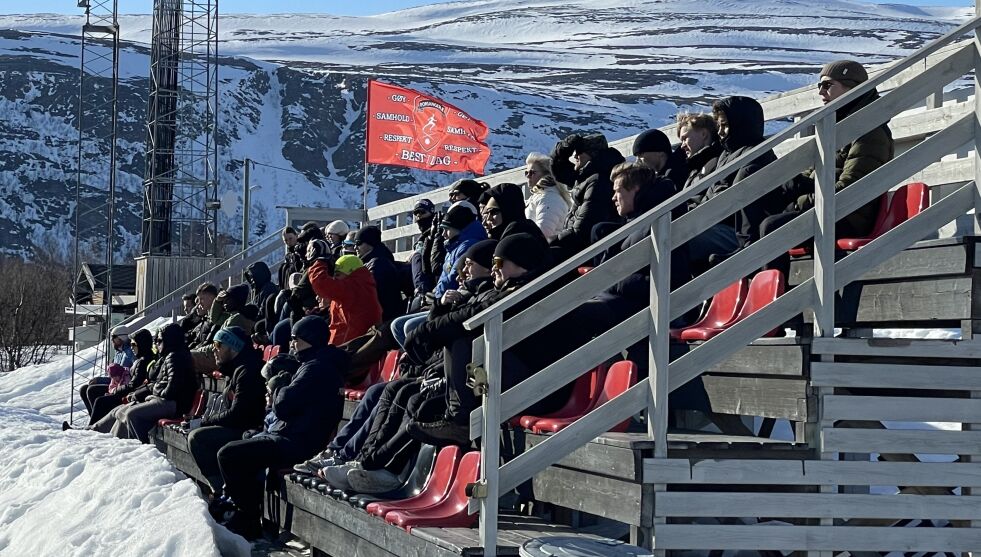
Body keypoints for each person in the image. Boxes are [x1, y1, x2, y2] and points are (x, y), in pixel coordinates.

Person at [216, 316, 348, 539]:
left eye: (297, 338)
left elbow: (284, 405)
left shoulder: (315, 368)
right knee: (244, 442)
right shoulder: (315, 364)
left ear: (311, 339)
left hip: (299, 442)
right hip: (294, 435)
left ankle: (247, 518)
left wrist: (278, 386)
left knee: (228, 454)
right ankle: (242, 509)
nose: (293, 343)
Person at [760, 60, 894, 273]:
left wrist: (799, 202)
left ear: (852, 88)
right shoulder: (838, 128)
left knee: (773, 226)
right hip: (831, 209)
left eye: (828, 85)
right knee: (765, 207)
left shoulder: (868, 132)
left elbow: (851, 187)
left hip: (850, 215)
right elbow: (815, 173)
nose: (821, 91)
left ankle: (776, 299)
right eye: (819, 86)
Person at [688, 96, 783, 265]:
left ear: (741, 124)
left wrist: (693, 219)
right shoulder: (726, 154)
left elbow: (727, 200)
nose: (720, 132)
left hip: (736, 232)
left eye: (725, 125)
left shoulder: (756, 155)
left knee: (679, 240)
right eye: (719, 126)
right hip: (716, 224)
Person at [391, 202, 486, 350]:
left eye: (446, 229)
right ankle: (418, 364)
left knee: (409, 327)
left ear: (457, 227)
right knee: (397, 325)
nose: (442, 234)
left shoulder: (467, 246)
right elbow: (434, 268)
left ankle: (424, 363)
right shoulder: (454, 245)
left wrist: (436, 300)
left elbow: (451, 278)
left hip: (451, 304)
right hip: (440, 301)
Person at [187, 326, 267, 494]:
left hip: (250, 430)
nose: (214, 350)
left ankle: (224, 493)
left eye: (218, 345)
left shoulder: (248, 371)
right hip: (240, 425)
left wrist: (203, 422)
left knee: (198, 437)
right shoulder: (237, 368)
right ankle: (223, 489)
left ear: (233, 346)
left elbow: (239, 414)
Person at [101, 323, 197, 443]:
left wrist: (155, 392)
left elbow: (173, 388)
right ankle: (114, 442)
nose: (156, 344)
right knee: (122, 411)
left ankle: (142, 448)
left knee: (132, 414)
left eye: (159, 340)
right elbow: (159, 382)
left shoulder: (175, 357)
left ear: (170, 340)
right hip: (165, 400)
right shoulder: (168, 356)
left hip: (172, 404)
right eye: (156, 340)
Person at [548, 133, 626, 261]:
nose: (575, 156)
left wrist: (551, 241)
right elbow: (559, 170)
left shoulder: (599, 182)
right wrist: (563, 148)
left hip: (582, 251)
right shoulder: (587, 176)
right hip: (576, 245)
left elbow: (582, 231)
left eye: (580, 151)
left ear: (593, 154)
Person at [306, 251, 383, 346]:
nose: (334, 278)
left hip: (348, 345)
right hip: (359, 342)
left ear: (350, 272)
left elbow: (320, 283)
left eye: (338, 274)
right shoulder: (363, 284)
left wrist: (320, 262)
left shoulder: (351, 287)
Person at [79, 325, 135, 417]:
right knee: (83, 389)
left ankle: (97, 422)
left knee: (92, 390)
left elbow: (122, 376)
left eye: (114, 337)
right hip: (114, 384)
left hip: (122, 387)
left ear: (122, 337)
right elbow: (113, 377)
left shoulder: (129, 354)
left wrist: (100, 381)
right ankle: (93, 419)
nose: (112, 340)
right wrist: (99, 379)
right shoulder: (118, 353)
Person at [353, 226, 405, 322]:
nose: (355, 247)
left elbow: (370, 295)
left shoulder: (378, 264)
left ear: (370, 243)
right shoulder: (377, 261)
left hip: (383, 319)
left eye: (358, 243)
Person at [523, 152, 572, 241]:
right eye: (526, 173)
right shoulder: (541, 196)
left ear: (547, 174)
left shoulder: (549, 198)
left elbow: (544, 232)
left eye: (532, 172)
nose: (528, 176)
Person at [482, 182, 548, 247]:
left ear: (508, 211)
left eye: (493, 212)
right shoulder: (527, 230)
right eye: (487, 213)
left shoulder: (518, 242)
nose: (488, 218)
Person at [408, 199, 444, 312]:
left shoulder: (439, 231)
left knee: (417, 255)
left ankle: (421, 293)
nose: (419, 216)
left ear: (431, 213)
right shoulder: (421, 238)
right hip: (420, 271)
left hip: (431, 272)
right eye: (416, 213)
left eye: (422, 212)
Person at [277, 227, 302, 292]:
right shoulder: (288, 255)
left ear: (296, 236)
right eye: (285, 240)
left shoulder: (301, 251)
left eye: (290, 238)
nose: (288, 242)